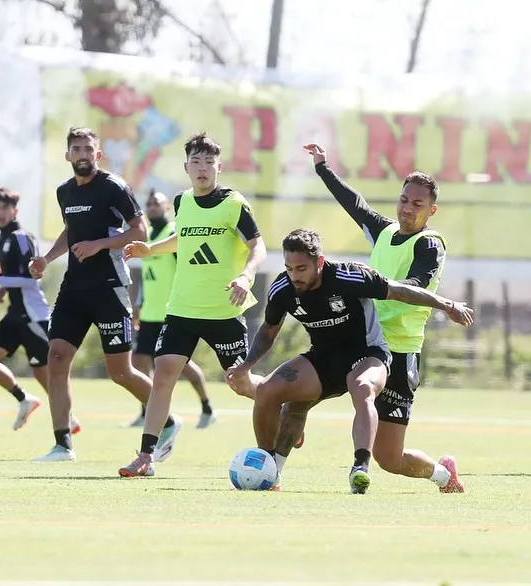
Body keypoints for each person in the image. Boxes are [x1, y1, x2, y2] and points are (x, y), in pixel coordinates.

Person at [226, 229, 473, 493]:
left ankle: (361, 469)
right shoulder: (283, 288)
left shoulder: (350, 275)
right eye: (289, 268)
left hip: (367, 355)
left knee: (367, 399)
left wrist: (448, 305)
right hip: (323, 360)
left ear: (319, 262)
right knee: (267, 391)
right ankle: (269, 470)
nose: (295, 276)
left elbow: (401, 291)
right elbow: (269, 330)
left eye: (301, 269)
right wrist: (247, 365)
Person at [284, 142, 464, 493]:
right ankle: (278, 454)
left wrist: (370, 287)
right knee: (298, 396)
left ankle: (443, 474)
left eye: (417, 204)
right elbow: (355, 204)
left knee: (390, 459)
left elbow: (416, 284)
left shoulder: (430, 244)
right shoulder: (383, 231)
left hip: (399, 349)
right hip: (361, 344)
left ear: (432, 210)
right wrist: (322, 167)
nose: (407, 209)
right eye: (403, 200)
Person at [118, 131, 267, 477]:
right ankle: (146, 456)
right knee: (163, 375)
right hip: (182, 308)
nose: (202, 168)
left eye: (208, 162)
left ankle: (281, 402)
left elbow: (257, 246)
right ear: (186, 167)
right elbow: (183, 237)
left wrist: (245, 277)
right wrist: (151, 249)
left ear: (219, 165)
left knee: (241, 382)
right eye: (196, 162)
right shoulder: (183, 201)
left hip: (223, 309)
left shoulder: (234, 203)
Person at [28, 127, 170, 462]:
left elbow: (140, 230)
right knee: (57, 359)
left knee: (120, 372)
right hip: (74, 290)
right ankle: (63, 444)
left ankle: (167, 418)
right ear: (67, 155)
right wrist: (47, 259)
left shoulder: (114, 186)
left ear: (98, 154)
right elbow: (70, 231)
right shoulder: (65, 192)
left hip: (110, 287)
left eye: (88, 149)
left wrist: (99, 246)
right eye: (76, 148)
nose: (82, 154)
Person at [0, 188, 80, 433]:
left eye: (6, 207)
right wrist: (3, 289)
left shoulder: (21, 237)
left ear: (15, 210)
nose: (1, 212)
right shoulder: (4, 236)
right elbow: (14, 278)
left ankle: (69, 418)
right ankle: (24, 399)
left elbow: (31, 278)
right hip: (16, 314)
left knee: (47, 371)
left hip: (34, 316)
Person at [129, 189, 215, 429]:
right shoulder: (148, 239)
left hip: (172, 313)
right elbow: (147, 278)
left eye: (157, 203)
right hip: (149, 314)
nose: (152, 207)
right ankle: (147, 410)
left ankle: (207, 407)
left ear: (167, 208)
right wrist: (138, 306)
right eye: (149, 204)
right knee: (139, 360)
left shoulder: (172, 235)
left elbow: (186, 269)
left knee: (181, 365)